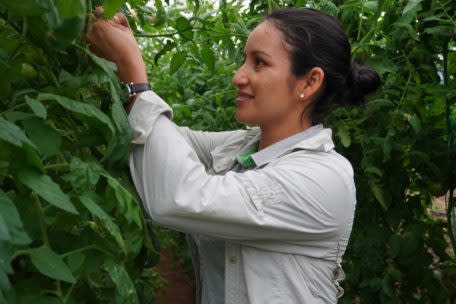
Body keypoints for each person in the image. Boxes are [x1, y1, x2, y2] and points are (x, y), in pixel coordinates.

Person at [86, 7, 380, 304]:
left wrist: (134, 77)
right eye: (244, 60)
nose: (238, 77)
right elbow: (164, 139)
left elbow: (182, 196)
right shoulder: (244, 147)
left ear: (309, 82)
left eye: (260, 63)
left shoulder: (323, 178)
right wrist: (117, 59)